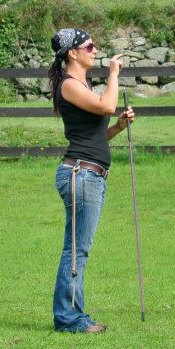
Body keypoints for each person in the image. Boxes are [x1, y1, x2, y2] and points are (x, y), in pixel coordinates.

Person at [47, 28, 134, 333]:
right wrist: (113, 74)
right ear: (73, 53)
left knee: (78, 248)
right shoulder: (70, 85)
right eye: (89, 46)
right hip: (81, 174)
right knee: (76, 249)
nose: (95, 50)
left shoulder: (80, 84)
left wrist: (119, 127)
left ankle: (70, 316)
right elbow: (107, 106)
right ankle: (69, 319)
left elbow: (96, 135)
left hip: (89, 173)